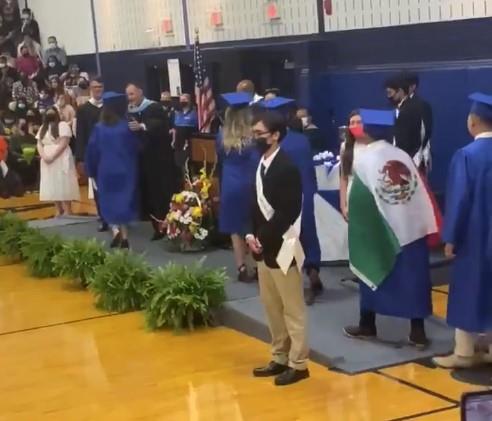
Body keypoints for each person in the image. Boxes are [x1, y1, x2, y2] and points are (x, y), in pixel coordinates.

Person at [343, 108, 438, 348]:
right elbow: (418, 192)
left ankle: (367, 324)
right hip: (411, 229)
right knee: (414, 279)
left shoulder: (365, 159)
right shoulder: (401, 155)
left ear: (367, 130)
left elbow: (360, 201)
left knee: (371, 273)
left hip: (381, 232)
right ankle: (418, 331)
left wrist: (358, 226)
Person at [246, 110, 309, 386]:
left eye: (259, 133)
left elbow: (288, 211)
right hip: (263, 247)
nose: (255, 138)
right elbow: (254, 204)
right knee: (271, 306)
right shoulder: (260, 165)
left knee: (292, 308)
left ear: (275, 136)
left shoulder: (287, 167)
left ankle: (299, 363)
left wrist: (263, 235)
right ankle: (280, 355)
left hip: (284, 244)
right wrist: (251, 234)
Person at [432, 93, 492, 369]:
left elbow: (459, 199)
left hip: (474, 237)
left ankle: (465, 352)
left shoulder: (467, 155)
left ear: (473, 121)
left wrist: (451, 237)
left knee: (469, 289)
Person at [258, 97, 323, 306]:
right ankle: (313, 273)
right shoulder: (302, 140)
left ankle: (292, 284)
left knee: (289, 238)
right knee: (309, 234)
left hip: (285, 199)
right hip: (307, 193)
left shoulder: (275, 146)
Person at [85, 92, 139, 250]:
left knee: (109, 202)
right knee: (123, 202)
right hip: (125, 170)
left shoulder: (99, 128)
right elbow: (135, 148)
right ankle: (125, 237)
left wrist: (91, 171)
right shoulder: (125, 127)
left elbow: (92, 151)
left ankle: (115, 231)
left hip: (106, 170)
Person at [217, 92, 260, 283]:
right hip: (250, 182)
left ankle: (241, 267)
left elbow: (220, 158)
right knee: (253, 224)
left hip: (230, 183)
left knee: (235, 228)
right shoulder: (254, 135)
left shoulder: (222, 136)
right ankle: (257, 265)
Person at [126, 82, 178, 240]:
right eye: (128, 95)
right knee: (148, 193)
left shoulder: (154, 107)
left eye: (132, 94)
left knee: (160, 193)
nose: (130, 98)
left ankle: (166, 226)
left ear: (140, 92)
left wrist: (142, 126)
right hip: (141, 159)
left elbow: (161, 126)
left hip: (158, 159)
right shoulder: (130, 111)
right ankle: (155, 224)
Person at [75, 77, 106, 231]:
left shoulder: (110, 107)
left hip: (111, 153)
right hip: (93, 155)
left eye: (100, 86)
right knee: (97, 188)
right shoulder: (83, 110)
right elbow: (80, 134)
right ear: (90, 89)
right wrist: (80, 158)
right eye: (95, 87)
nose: (97, 89)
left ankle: (117, 217)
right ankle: (103, 217)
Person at [36, 107, 79, 216]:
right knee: (52, 183)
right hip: (46, 158)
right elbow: (39, 143)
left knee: (63, 182)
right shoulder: (43, 127)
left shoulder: (62, 125)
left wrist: (53, 156)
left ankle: (68, 209)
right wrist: (44, 156)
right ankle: (59, 208)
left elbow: (64, 143)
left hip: (61, 157)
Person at [384, 75, 423, 160]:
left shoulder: (409, 110)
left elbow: (406, 140)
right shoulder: (400, 108)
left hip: (408, 158)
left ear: (400, 91)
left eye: (390, 93)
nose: (388, 96)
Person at [403, 72, 434, 174]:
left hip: (417, 157)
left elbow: (427, 131)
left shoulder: (422, 106)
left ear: (413, 86)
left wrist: (416, 154)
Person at [339, 110, 366, 221]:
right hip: (352, 195)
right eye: (352, 123)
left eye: (359, 122)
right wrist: (343, 205)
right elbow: (343, 177)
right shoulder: (345, 147)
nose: (355, 125)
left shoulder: (373, 145)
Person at [8, 117, 38, 190]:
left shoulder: (32, 138)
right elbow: (12, 151)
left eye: (25, 124)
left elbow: (36, 150)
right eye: (22, 124)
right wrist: (22, 156)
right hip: (19, 160)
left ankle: (34, 186)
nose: (23, 125)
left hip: (31, 160)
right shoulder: (14, 138)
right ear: (17, 125)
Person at [172, 93, 198, 174]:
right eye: (181, 100)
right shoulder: (177, 113)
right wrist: (173, 140)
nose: (182, 101)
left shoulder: (194, 113)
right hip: (179, 143)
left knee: (189, 165)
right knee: (180, 165)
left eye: (185, 99)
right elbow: (175, 128)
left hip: (190, 143)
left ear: (189, 101)